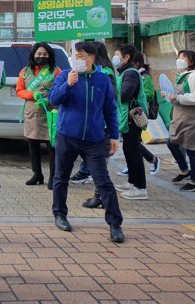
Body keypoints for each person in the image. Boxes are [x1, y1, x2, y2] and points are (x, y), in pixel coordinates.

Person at [48, 41, 124, 244]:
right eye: (75, 55)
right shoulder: (65, 75)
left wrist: (114, 136)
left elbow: (110, 109)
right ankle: (60, 214)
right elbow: (53, 99)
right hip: (67, 136)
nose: (77, 59)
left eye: (81, 56)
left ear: (91, 58)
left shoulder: (102, 79)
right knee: (61, 177)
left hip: (94, 140)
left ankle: (115, 224)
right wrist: (68, 84)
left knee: (103, 182)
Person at [16, 42, 61, 189]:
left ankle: (53, 177)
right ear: (33, 55)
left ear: (49, 56)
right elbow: (19, 90)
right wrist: (31, 94)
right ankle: (37, 174)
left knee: (51, 146)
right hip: (32, 112)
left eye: (44, 54)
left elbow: (61, 89)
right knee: (33, 145)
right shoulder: (25, 71)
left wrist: (50, 99)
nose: (41, 57)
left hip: (50, 112)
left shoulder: (56, 71)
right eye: (39, 54)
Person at [80, 42, 118, 209]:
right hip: (95, 125)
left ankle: (100, 196)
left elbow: (109, 102)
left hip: (102, 125)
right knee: (100, 164)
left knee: (101, 165)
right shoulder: (97, 72)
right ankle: (100, 195)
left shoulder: (104, 74)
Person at [165, 50, 195, 192]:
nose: (180, 60)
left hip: (192, 119)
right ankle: (185, 170)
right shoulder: (181, 76)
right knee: (172, 142)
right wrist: (170, 97)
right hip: (180, 117)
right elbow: (178, 96)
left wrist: (179, 98)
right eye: (179, 57)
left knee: (191, 150)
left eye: (183, 58)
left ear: (191, 61)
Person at [112, 44, 149, 200]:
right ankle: (132, 182)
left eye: (117, 54)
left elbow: (125, 94)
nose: (115, 57)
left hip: (133, 118)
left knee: (134, 151)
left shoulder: (131, 73)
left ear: (126, 57)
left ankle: (140, 188)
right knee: (129, 150)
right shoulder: (124, 72)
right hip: (127, 118)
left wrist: (110, 96)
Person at [115, 53, 161, 177]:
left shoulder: (143, 76)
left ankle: (150, 161)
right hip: (125, 113)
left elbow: (149, 94)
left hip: (136, 113)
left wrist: (137, 95)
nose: (117, 59)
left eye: (118, 56)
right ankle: (134, 169)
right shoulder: (126, 74)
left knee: (133, 143)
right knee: (130, 143)